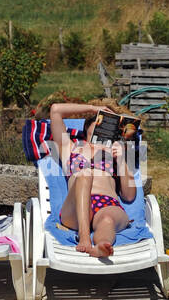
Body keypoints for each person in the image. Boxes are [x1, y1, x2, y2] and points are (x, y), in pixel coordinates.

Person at [49, 102, 138, 258]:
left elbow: (129, 196)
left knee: (107, 220)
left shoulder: (117, 153)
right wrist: (93, 109)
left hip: (108, 204)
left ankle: (102, 247)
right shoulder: (71, 148)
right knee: (84, 174)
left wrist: (123, 160)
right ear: (88, 128)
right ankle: (84, 237)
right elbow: (56, 110)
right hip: (75, 206)